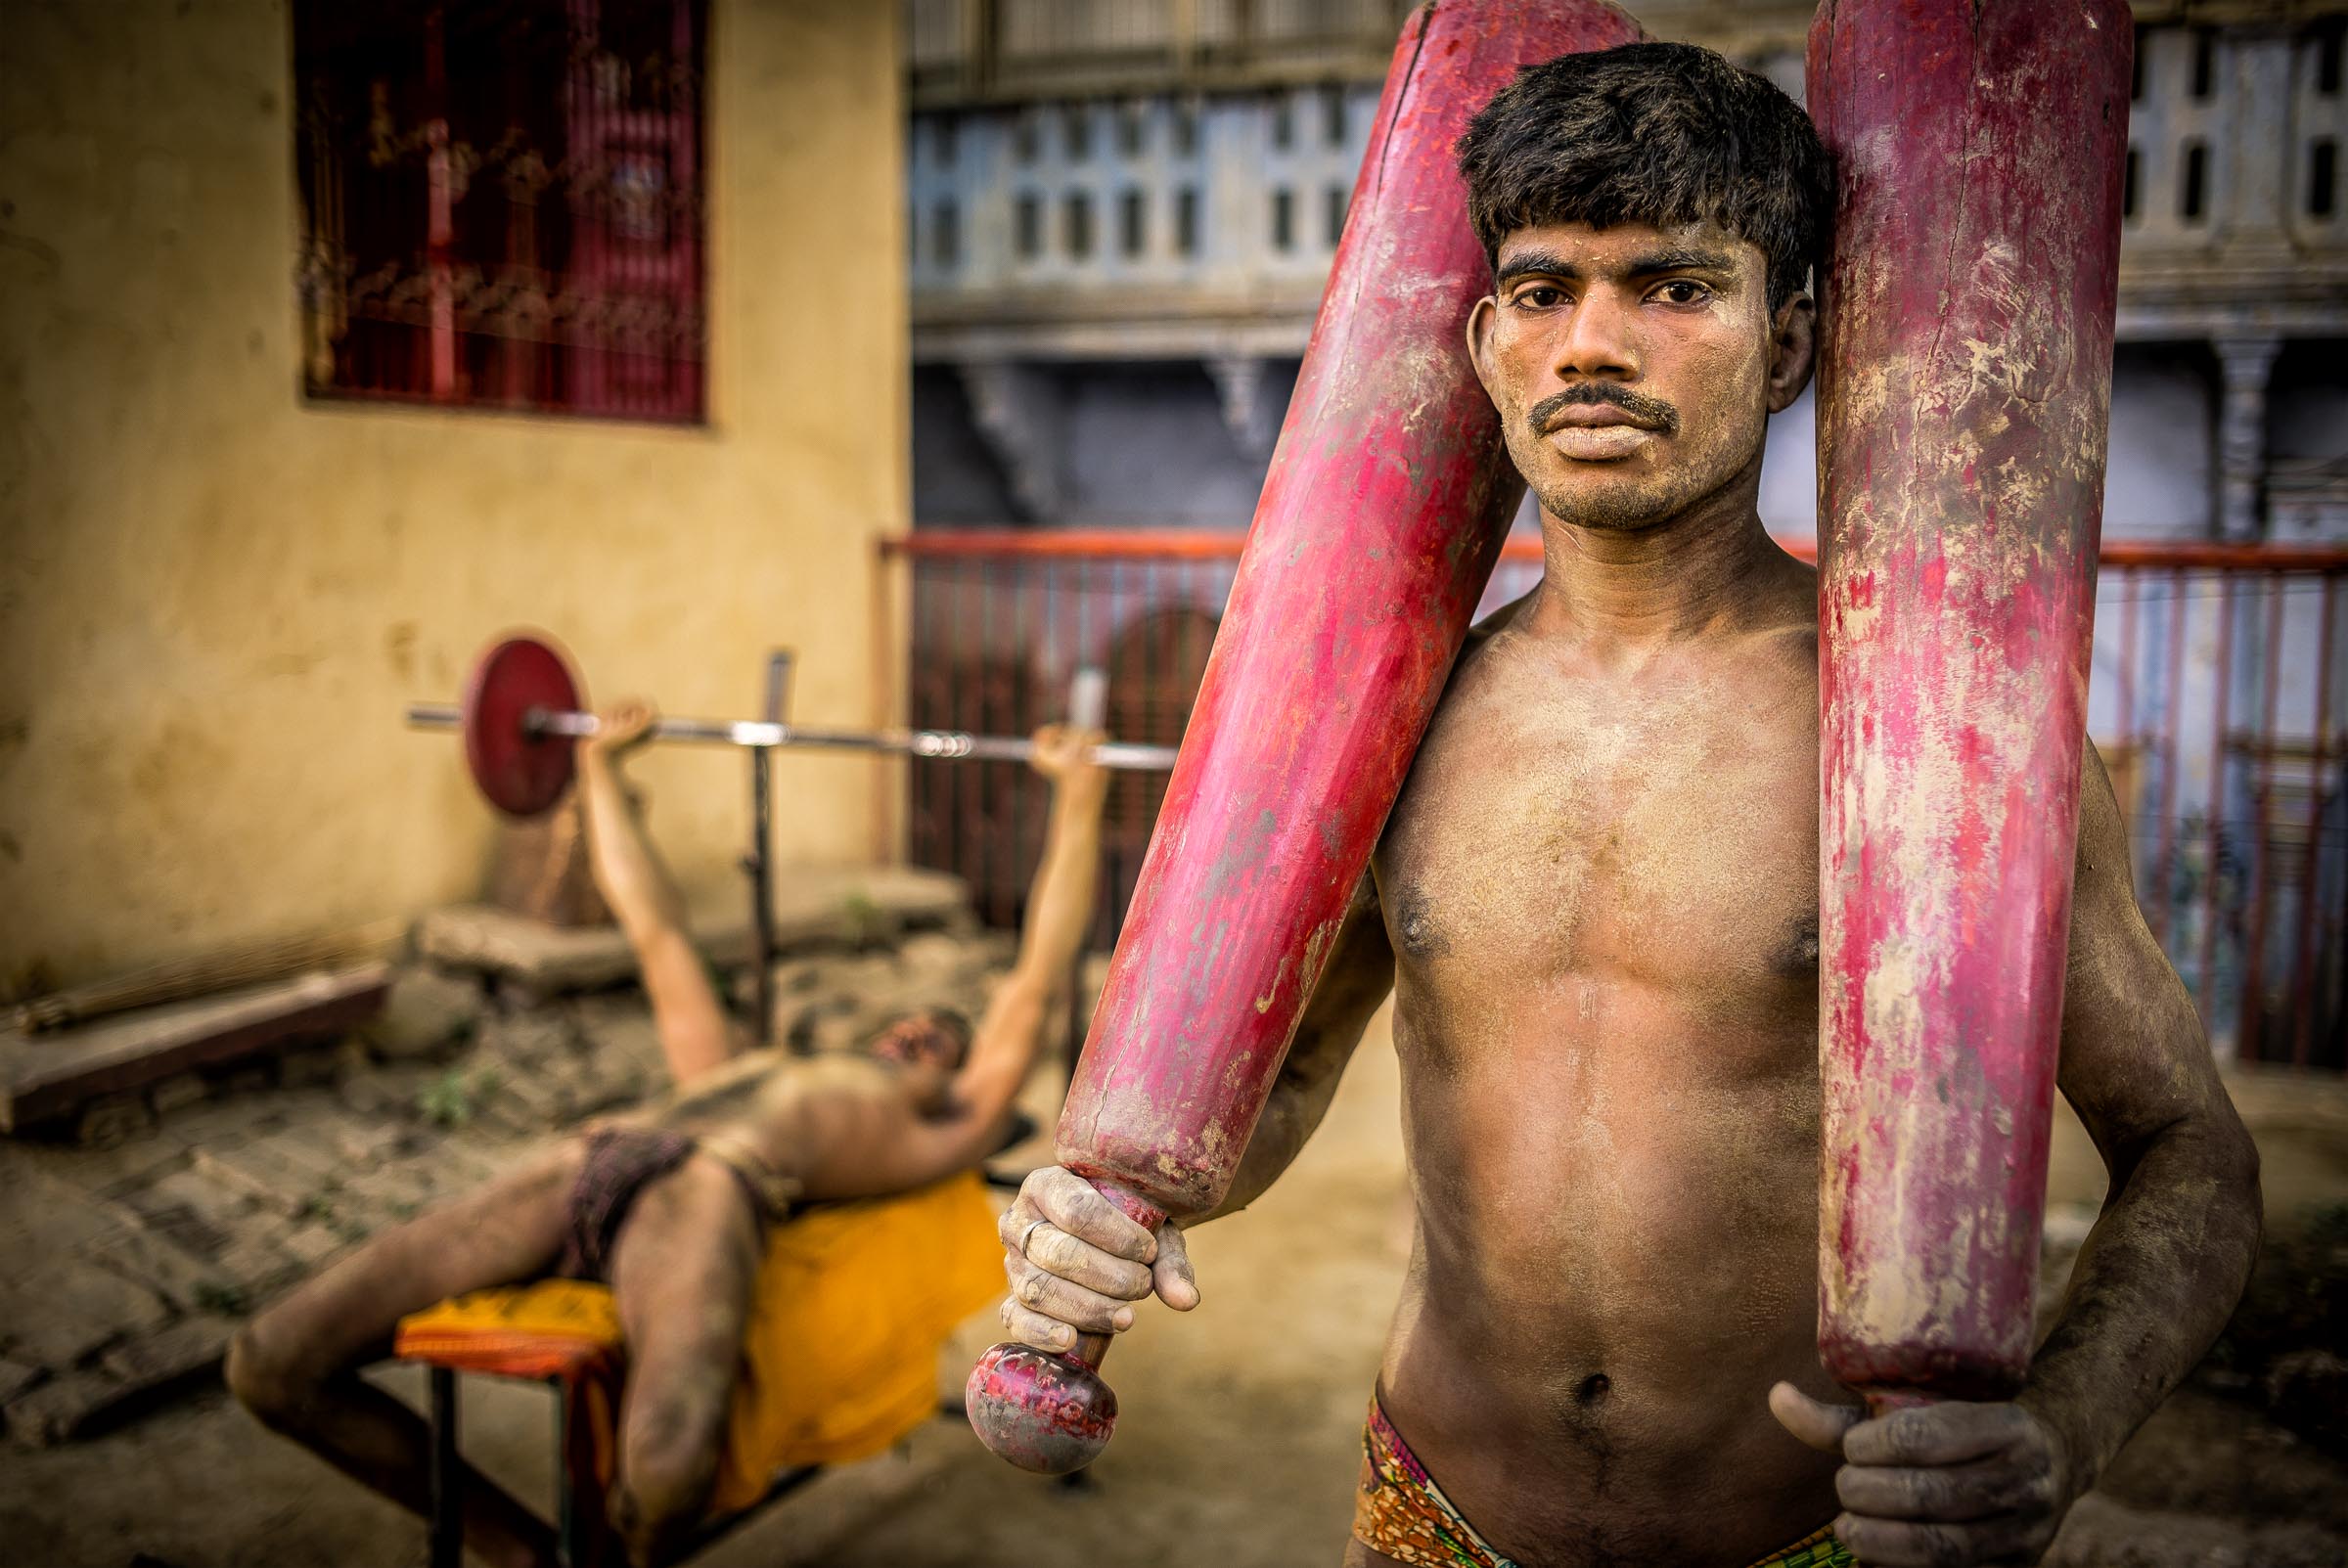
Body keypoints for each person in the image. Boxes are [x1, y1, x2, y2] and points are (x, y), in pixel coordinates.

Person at [995, 43, 2262, 1568]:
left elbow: (2192, 1149)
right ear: (1482, 340)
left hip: (1812, 1541)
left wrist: (2061, 1426)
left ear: (1790, 342)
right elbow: (1283, 1077)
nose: (1592, 344)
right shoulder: (1400, 727)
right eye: (1543, 290)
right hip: (1435, 1516)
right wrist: (1105, 1209)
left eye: (1672, 287)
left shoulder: (1937, 757)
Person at [230, 702, 1108, 1568]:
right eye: (905, 1023)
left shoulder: (945, 1120)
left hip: (711, 1189)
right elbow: (656, 932)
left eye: (940, 1040)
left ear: (958, 1076)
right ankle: (518, 1549)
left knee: (666, 1465)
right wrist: (599, 770)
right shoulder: (742, 1063)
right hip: (586, 1159)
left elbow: (1033, 979)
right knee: (269, 1363)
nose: (917, 1033)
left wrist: (1077, 798)